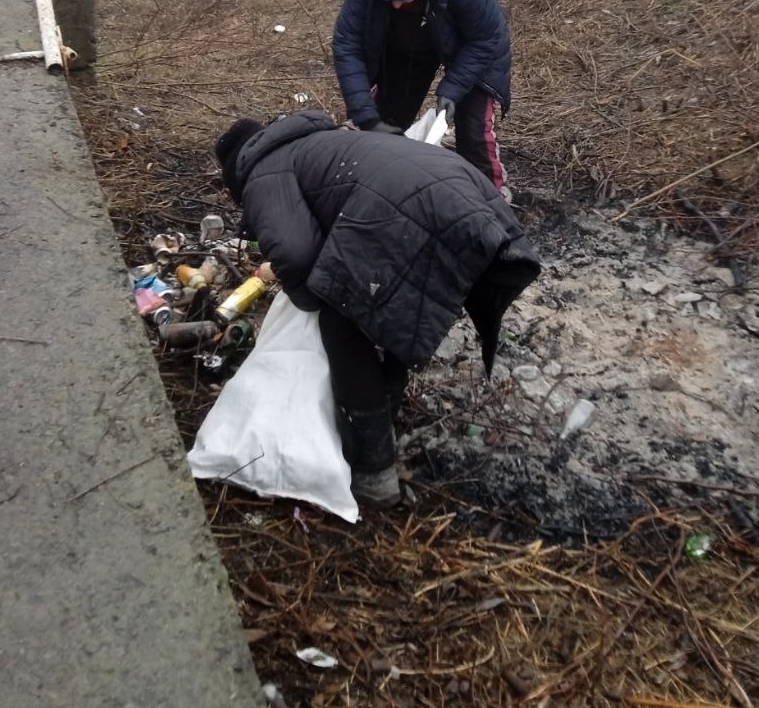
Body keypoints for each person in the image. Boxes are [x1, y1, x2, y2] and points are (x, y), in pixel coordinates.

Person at [215, 111, 540, 509]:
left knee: (341, 313)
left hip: (414, 208)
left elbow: (298, 257)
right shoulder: (321, 142)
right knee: (387, 299)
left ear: (234, 173)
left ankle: (376, 470)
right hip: (461, 189)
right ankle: (384, 406)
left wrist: (307, 301)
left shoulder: (262, 173)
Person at [332, 0, 513, 200]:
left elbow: (487, 37)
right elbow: (347, 42)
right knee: (385, 122)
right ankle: (377, 193)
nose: (395, 4)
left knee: (474, 133)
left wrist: (452, 90)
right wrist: (367, 118)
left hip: (471, 46)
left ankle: (493, 201)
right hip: (407, 44)